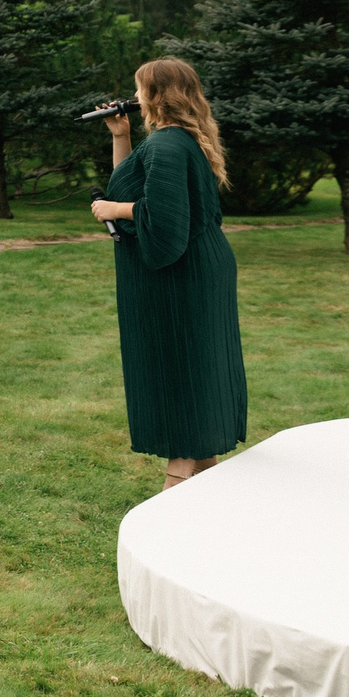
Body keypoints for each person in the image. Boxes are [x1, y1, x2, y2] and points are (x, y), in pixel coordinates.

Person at [93, 58, 248, 491]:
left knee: (179, 367)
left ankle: (179, 475)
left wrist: (114, 210)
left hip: (181, 273)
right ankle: (208, 470)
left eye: (140, 88)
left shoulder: (166, 146)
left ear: (157, 96)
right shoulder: (180, 139)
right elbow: (133, 183)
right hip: (200, 266)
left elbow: (162, 221)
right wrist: (121, 138)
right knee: (197, 365)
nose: (135, 96)